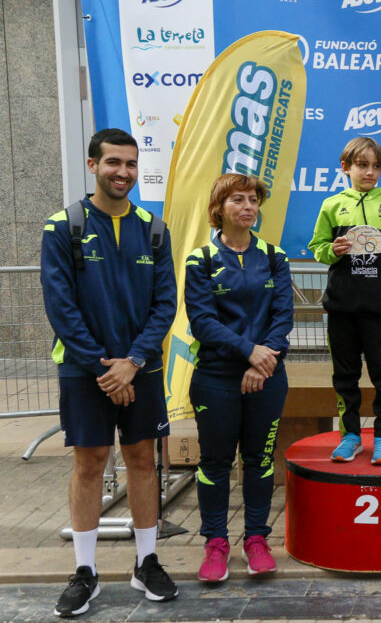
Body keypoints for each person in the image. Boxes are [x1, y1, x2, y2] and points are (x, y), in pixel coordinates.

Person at [41, 129, 178, 617]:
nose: (123, 172)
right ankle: (85, 572)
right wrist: (105, 368)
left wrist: (133, 362)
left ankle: (147, 562)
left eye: (131, 164)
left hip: (140, 367)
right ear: (92, 165)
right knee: (90, 462)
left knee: (142, 459)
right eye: (113, 162)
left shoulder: (154, 228)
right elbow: (61, 306)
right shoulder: (63, 227)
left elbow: (165, 304)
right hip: (86, 370)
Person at [184, 174, 294, 582]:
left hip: (267, 376)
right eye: (238, 200)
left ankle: (257, 539)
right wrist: (248, 351)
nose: (248, 207)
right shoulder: (201, 260)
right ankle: (215, 543)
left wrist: (261, 362)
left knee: (260, 461)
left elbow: (283, 317)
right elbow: (202, 322)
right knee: (214, 462)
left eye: (253, 200)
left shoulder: (275, 257)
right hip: (216, 379)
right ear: (219, 208)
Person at [309, 137, 381, 464]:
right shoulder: (331, 205)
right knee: (345, 377)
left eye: (376, 166)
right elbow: (318, 248)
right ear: (345, 168)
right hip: (341, 308)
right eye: (362, 165)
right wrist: (332, 250)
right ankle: (350, 436)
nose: (370, 172)